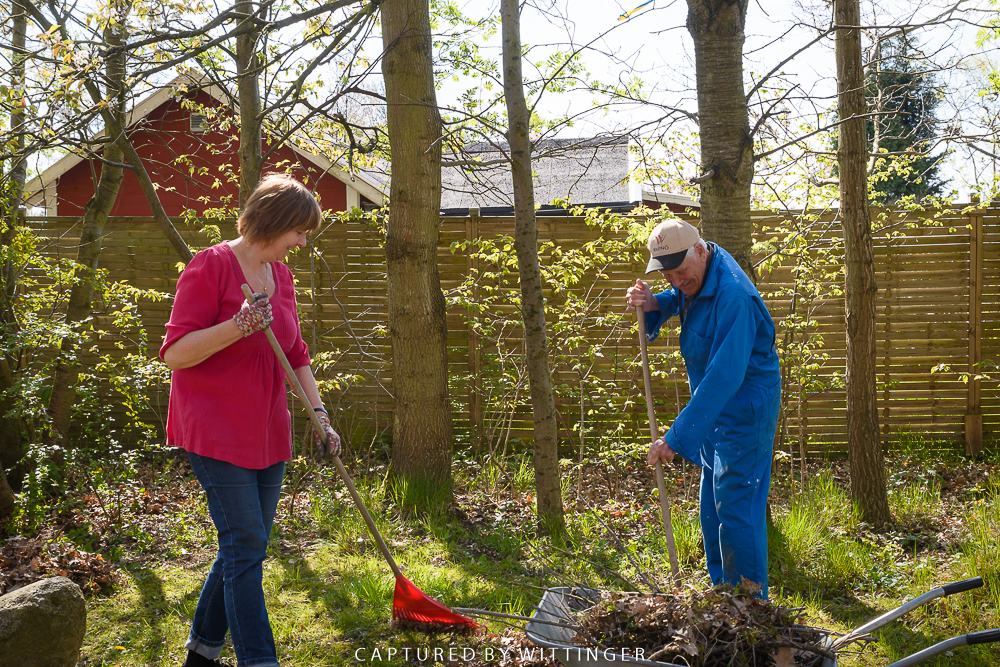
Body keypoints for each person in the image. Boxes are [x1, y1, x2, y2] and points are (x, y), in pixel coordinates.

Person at [160, 173, 340, 667]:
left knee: (245, 546)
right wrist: (237, 325)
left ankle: (201, 652)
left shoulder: (281, 277)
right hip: (216, 428)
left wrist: (320, 415)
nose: (303, 243)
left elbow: (297, 353)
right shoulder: (211, 266)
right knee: (245, 543)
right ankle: (260, 660)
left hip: (268, 429)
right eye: (299, 231)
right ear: (275, 221)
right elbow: (176, 353)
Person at [626, 218, 780, 598]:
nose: (677, 282)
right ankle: (723, 598)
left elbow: (723, 378)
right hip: (715, 414)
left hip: (743, 411)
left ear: (699, 250)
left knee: (736, 509)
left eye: (681, 273)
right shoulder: (699, 268)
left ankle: (751, 608)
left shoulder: (735, 297)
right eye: (669, 277)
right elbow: (685, 296)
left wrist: (674, 438)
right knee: (713, 509)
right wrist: (654, 304)